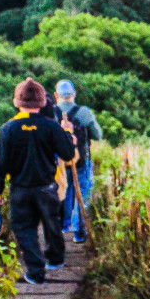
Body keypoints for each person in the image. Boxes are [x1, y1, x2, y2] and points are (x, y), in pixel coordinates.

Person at [0, 78, 78, 284]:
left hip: (20, 189)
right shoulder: (51, 126)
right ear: (41, 102)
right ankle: (56, 260)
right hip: (47, 187)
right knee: (52, 224)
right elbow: (67, 154)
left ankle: (36, 272)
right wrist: (67, 134)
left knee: (25, 229)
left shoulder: (8, 129)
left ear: (17, 102)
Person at [54, 79, 103, 244]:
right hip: (80, 160)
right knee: (82, 192)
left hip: (58, 162)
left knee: (64, 192)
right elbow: (98, 135)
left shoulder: (50, 113)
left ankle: (64, 225)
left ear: (56, 96)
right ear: (73, 94)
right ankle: (78, 232)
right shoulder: (84, 112)